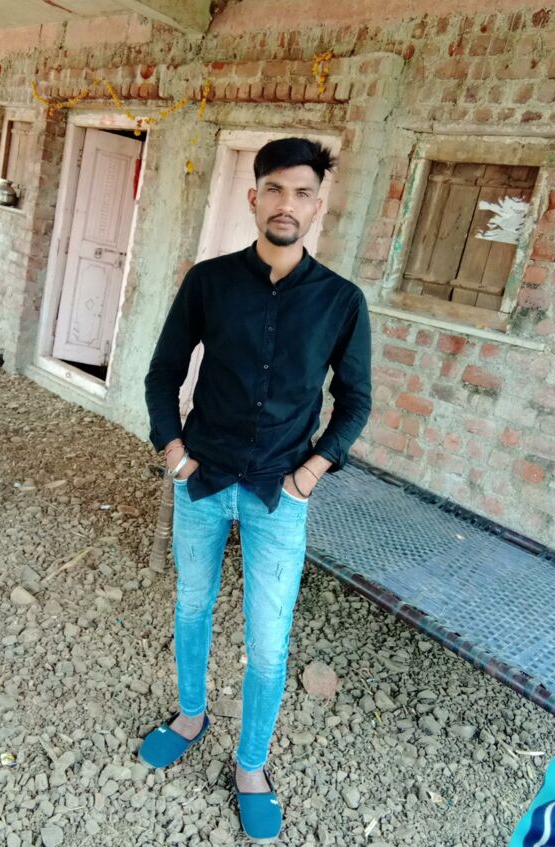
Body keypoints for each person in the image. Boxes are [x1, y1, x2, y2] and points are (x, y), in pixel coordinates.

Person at [142, 136, 372, 841]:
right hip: (203, 480)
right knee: (192, 604)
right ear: (253, 197)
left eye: (302, 192)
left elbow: (355, 401)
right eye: (274, 189)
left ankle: (250, 764)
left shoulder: (341, 301)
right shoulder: (209, 282)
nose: (286, 204)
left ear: (318, 206)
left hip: (280, 494)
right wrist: (175, 454)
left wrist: (309, 473)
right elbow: (163, 372)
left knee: (269, 642)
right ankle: (191, 715)